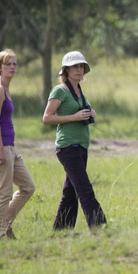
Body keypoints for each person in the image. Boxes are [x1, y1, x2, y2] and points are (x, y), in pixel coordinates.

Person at [42, 51, 107, 230]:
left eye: (81, 67)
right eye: (74, 67)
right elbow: (47, 118)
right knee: (84, 188)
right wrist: (74, 117)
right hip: (67, 146)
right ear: (66, 70)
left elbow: (80, 112)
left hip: (81, 145)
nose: (79, 70)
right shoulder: (60, 90)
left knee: (70, 192)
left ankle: (61, 229)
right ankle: (99, 226)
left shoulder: (79, 90)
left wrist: (89, 113)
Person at [0, 49, 36, 240]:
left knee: (28, 187)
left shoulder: (5, 88)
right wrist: (0, 149)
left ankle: (5, 224)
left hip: (9, 146)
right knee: (3, 193)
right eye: (8, 64)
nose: (12, 67)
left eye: (14, 64)